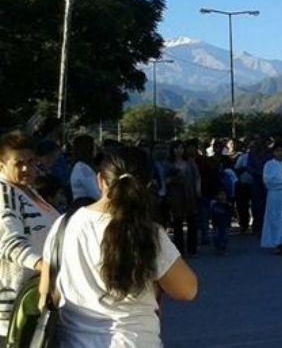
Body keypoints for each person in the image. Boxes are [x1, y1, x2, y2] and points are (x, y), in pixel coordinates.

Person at [40, 146, 197, 347]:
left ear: (100, 181)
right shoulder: (147, 231)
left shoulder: (64, 225)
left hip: (74, 342)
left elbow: (47, 291)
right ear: (148, 185)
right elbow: (187, 290)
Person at [0, 131, 60, 342]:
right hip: (16, 308)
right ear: (2, 165)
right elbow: (9, 244)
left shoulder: (28, 191)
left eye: (31, 162)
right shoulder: (5, 193)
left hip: (36, 299)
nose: (26, 168)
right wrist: (43, 266)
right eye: (18, 163)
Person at [166, 141, 200, 257]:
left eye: (181, 148)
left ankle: (192, 248)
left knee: (192, 222)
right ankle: (179, 248)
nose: (179, 151)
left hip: (189, 194)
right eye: (176, 148)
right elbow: (165, 179)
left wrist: (197, 189)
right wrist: (172, 179)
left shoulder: (190, 162)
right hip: (175, 195)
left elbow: (197, 177)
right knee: (177, 222)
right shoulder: (169, 164)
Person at [69, 134, 101, 209]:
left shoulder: (82, 166)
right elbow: (96, 194)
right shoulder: (82, 168)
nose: (97, 148)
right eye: (94, 145)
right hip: (85, 208)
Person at [210, 189, 233, 255]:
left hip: (225, 223)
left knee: (225, 236)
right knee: (216, 236)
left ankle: (223, 248)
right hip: (217, 224)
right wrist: (213, 223)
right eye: (220, 195)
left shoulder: (228, 205)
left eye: (224, 195)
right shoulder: (215, 205)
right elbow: (212, 215)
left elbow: (230, 214)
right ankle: (218, 248)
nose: (222, 197)